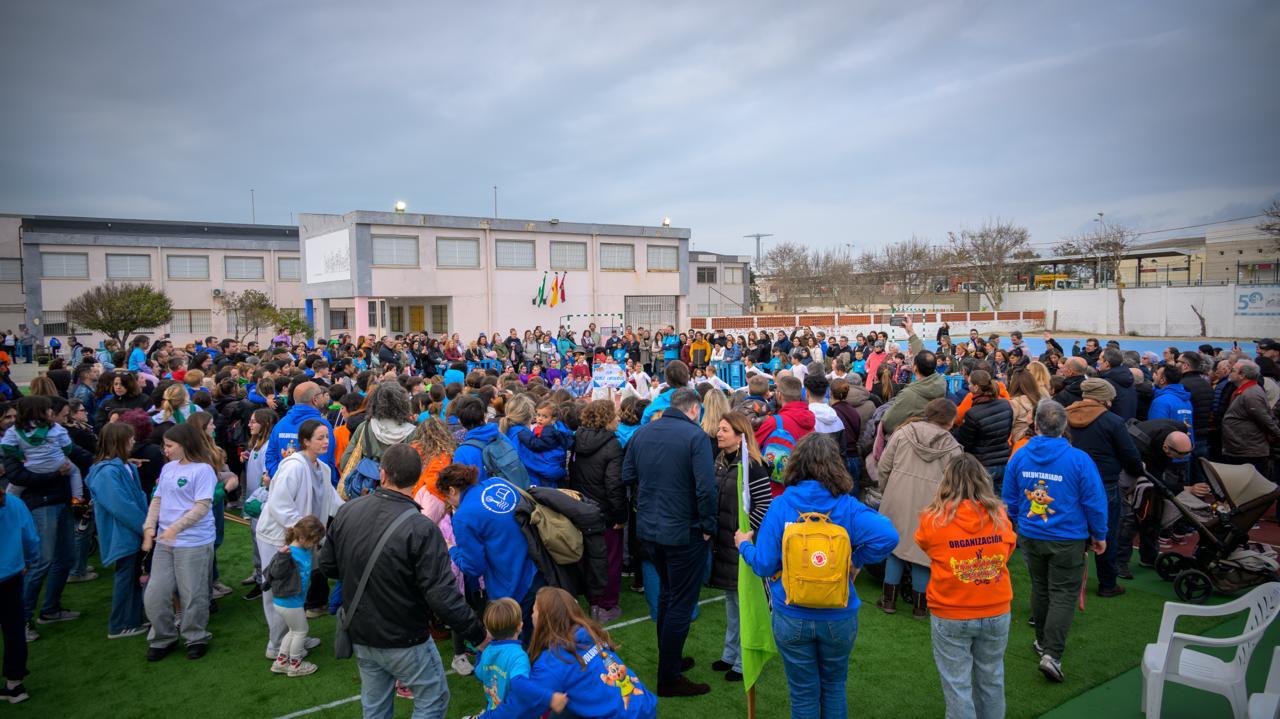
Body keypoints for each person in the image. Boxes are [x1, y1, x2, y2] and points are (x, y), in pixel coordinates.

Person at [319, 443, 488, 719]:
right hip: (403, 635)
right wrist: (478, 635)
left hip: (364, 631)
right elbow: (442, 595)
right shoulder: (421, 527)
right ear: (417, 477)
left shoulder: (351, 511)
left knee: (375, 706)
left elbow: (328, 565)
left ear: (383, 475)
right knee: (432, 699)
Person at [736, 433, 898, 718]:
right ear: (835, 465)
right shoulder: (846, 506)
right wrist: (856, 561)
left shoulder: (781, 506)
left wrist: (744, 545)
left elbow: (763, 565)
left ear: (796, 464)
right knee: (834, 686)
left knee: (803, 692)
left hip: (791, 614)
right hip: (839, 615)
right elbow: (888, 535)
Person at [1002, 400, 1108, 683]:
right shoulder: (1078, 459)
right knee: (1061, 593)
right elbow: (1095, 502)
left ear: (1036, 424)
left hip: (1034, 534)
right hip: (1065, 537)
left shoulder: (1022, 456)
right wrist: (1100, 534)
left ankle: (1043, 644)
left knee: (1042, 586)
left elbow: (1009, 498)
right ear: (1064, 426)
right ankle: (1051, 652)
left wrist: (1015, 520)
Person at [622, 387, 716, 697]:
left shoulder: (643, 432)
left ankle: (670, 662)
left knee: (667, 596)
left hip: (651, 529)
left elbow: (629, 475)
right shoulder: (695, 437)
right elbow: (705, 488)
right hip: (682, 531)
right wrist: (707, 525)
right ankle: (669, 676)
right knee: (679, 602)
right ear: (694, 410)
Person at [916, 453, 1017, 719]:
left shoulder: (933, 519)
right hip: (995, 609)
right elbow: (1008, 551)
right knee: (991, 678)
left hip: (951, 611)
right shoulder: (999, 516)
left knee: (957, 684)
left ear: (946, 481)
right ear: (983, 480)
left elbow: (924, 544)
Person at [468, 587, 653, 719]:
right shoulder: (588, 633)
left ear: (544, 619)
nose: (530, 614)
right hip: (643, 707)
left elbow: (520, 707)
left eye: (534, 609)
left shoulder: (553, 662)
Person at [256, 419, 340, 661]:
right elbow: (279, 504)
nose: (326, 442)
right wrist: (307, 532)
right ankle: (276, 644)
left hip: (303, 540)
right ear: (305, 441)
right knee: (279, 589)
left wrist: (354, 514)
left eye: (327, 437)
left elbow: (332, 501)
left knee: (298, 587)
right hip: (278, 538)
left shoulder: (322, 468)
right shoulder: (293, 466)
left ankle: (295, 634)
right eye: (320, 437)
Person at [142, 423, 221, 661]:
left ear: (185, 445)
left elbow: (202, 506)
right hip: (167, 542)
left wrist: (175, 527)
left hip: (193, 542)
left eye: (169, 446)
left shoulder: (203, 470)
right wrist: (149, 527)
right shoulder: (168, 469)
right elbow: (157, 499)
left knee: (193, 593)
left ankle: (195, 636)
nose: (164, 450)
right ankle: (163, 637)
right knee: (155, 593)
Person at [877, 398, 963, 618]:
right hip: (931, 505)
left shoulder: (903, 433)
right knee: (923, 554)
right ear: (950, 421)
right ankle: (920, 606)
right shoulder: (952, 447)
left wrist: (888, 490)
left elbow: (884, 466)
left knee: (896, 549)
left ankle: (889, 600)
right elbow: (956, 484)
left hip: (898, 497)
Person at [438, 462, 541, 643]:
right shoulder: (497, 483)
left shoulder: (463, 516)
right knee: (546, 639)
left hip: (510, 587)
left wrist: (452, 550)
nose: (447, 502)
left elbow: (473, 567)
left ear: (452, 490)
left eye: (446, 496)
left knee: (520, 647)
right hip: (536, 570)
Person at [708, 411, 771, 682]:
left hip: (742, 544)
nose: (719, 433)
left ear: (740, 435)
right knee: (732, 603)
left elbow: (764, 505)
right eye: (719, 429)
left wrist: (746, 534)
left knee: (745, 603)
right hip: (724, 542)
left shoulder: (754, 465)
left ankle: (744, 662)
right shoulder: (720, 461)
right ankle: (730, 654)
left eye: (724, 430)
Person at [1063, 378, 1141, 598]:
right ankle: (1108, 583)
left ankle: (1069, 581)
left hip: (1070, 482)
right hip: (1103, 482)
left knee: (1071, 531)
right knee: (1105, 532)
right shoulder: (1113, 421)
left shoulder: (1064, 416)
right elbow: (1129, 454)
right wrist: (1137, 471)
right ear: (1105, 398)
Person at [84, 423, 149, 639]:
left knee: (131, 576)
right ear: (119, 441)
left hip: (130, 531)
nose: (133, 441)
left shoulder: (118, 467)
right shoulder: (107, 473)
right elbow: (122, 506)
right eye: (129, 438)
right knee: (126, 577)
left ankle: (132, 618)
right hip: (123, 533)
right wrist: (146, 527)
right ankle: (120, 623)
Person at [566, 400, 626, 623]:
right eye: (615, 416)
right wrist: (620, 516)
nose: (618, 419)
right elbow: (614, 485)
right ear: (606, 418)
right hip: (602, 512)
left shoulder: (577, 439)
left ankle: (594, 602)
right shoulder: (611, 445)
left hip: (582, 509)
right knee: (609, 559)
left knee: (589, 558)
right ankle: (604, 605)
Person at [265, 515, 325, 677]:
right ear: (304, 537)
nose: (316, 544)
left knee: (292, 631)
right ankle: (295, 665)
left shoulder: (303, 549)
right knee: (301, 631)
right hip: (288, 602)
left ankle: (281, 662)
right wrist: (282, 556)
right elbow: (275, 572)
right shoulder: (288, 553)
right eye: (315, 541)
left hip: (291, 601)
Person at [0, 483, 39, 703]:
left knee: (14, 628)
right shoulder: (14, 503)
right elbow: (30, 539)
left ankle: (14, 684)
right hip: (12, 574)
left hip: (11, 573)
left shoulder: (13, 503)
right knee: (14, 629)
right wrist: (28, 560)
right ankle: (15, 684)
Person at [952, 370, 1014, 491]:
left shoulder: (973, 414)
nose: (967, 386)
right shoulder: (1006, 405)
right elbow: (1007, 433)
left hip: (983, 465)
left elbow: (965, 443)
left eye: (969, 384)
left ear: (975, 387)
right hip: (1003, 462)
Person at [265, 382, 337, 485]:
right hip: (314, 490)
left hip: (285, 487)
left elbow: (270, 457)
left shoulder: (281, 424)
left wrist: (281, 478)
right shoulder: (322, 425)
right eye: (321, 393)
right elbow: (323, 460)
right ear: (315, 399)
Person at [240, 408, 278, 600]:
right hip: (254, 503)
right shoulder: (256, 445)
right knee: (255, 539)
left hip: (261, 504)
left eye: (254, 421)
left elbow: (267, 477)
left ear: (265, 424)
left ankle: (263, 581)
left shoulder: (267, 446)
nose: (250, 424)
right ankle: (257, 574)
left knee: (260, 541)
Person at [471, 598, 533, 713]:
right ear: (520, 626)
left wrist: (480, 653)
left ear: (488, 630)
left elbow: (479, 673)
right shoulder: (519, 656)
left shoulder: (487, 650)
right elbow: (522, 687)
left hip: (493, 711)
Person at [1220, 360, 1280, 478]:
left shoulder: (1251, 394)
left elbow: (1265, 420)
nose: (1229, 373)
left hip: (1249, 450)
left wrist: (1277, 435)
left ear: (1242, 375)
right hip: (1242, 448)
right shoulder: (1245, 391)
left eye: (1233, 371)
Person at [882, 320, 943, 434]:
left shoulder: (909, 394)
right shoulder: (940, 382)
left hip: (915, 435)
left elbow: (888, 423)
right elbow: (924, 354)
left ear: (914, 368)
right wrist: (911, 332)